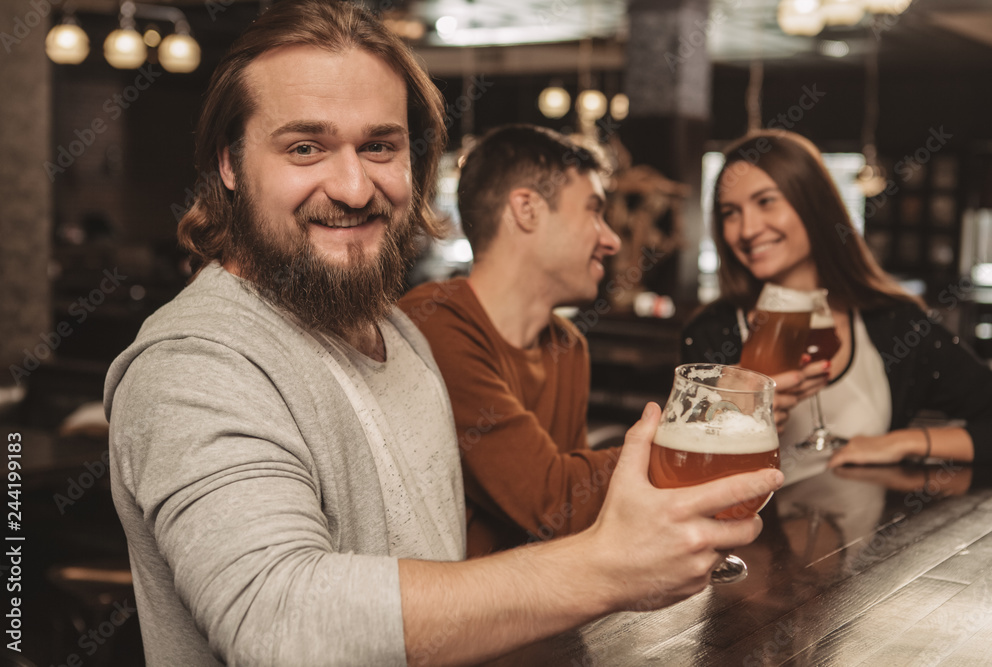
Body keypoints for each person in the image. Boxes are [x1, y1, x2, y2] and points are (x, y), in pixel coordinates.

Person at [104, 2, 783, 664]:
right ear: (229, 163)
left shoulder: (401, 336)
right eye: (305, 146)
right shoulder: (192, 363)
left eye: (379, 146)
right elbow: (279, 621)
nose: (352, 185)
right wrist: (603, 568)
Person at [680, 130, 992, 471]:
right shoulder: (711, 332)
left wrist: (904, 442)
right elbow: (685, 468)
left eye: (766, 201)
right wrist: (729, 420)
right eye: (730, 212)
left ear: (814, 205)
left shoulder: (894, 322)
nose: (747, 229)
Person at [399, 125, 624, 557]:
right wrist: (686, 443)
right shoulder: (433, 325)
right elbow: (553, 500)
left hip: (547, 606)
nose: (611, 239)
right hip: (455, 617)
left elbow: (571, 523)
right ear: (527, 209)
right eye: (594, 211)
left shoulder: (567, 345)